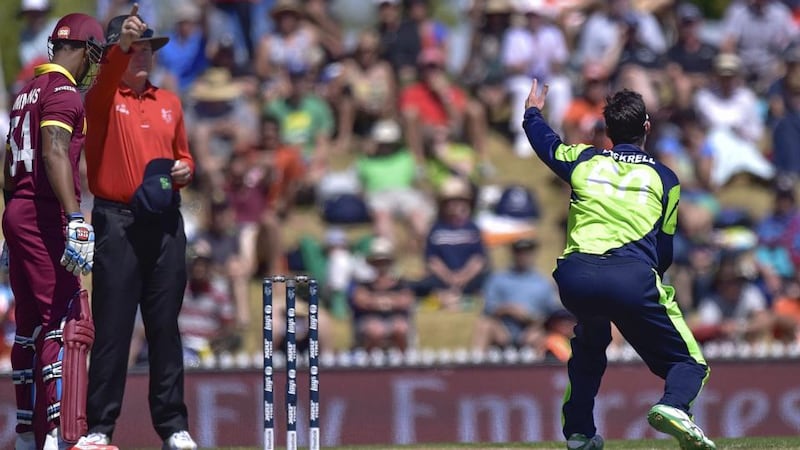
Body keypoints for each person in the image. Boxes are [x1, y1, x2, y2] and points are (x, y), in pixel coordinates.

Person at [522, 80, 715, 450]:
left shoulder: (584, 159)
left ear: (607, 131)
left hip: (576, 278)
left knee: (591, 343)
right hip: (631, 279)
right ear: (647, 127)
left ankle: (579, 433)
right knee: (690, 364)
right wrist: (636, 295)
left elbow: (545, 144)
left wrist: (533, 111)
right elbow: (664, 253)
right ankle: (674, 406)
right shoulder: (665, 179)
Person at [78, 6, 198, 449]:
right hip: (118, 221)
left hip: (165, 220)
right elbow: (104, 75)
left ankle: (173, 426)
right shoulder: (104, 98)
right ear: (118, 52)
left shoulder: (170, 102)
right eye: (135, 48)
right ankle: (99, 428)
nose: (143, 56)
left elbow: (184, 155)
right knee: (112, 327)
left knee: (165, 326)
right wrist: (119, 45)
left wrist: (186, 169)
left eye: (147, 48)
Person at [3, 12, 104, 450]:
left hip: (19, 211)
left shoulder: (25, 91)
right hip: (45, 215)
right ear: (84, 50)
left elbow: (7, 166)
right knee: (64, 322)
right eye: (94, 55)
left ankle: (27, 433)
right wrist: (75, 217)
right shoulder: (65, 93)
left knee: (27, 327)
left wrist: (11, 222)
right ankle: (63, 438)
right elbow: (55, 152)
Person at [471, 238, 560, 352]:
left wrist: (533, 321)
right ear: (513, 254)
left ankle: (538, 367)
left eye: (527, 252)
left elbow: (552, 313)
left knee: (542, 334)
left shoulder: (543, 282)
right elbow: (488, 308)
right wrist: (507, 309)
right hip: (502, 328)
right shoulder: (498, 278)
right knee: (484, 325)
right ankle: (477, 363)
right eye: (519, 252)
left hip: (531, 330)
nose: (523, 256)